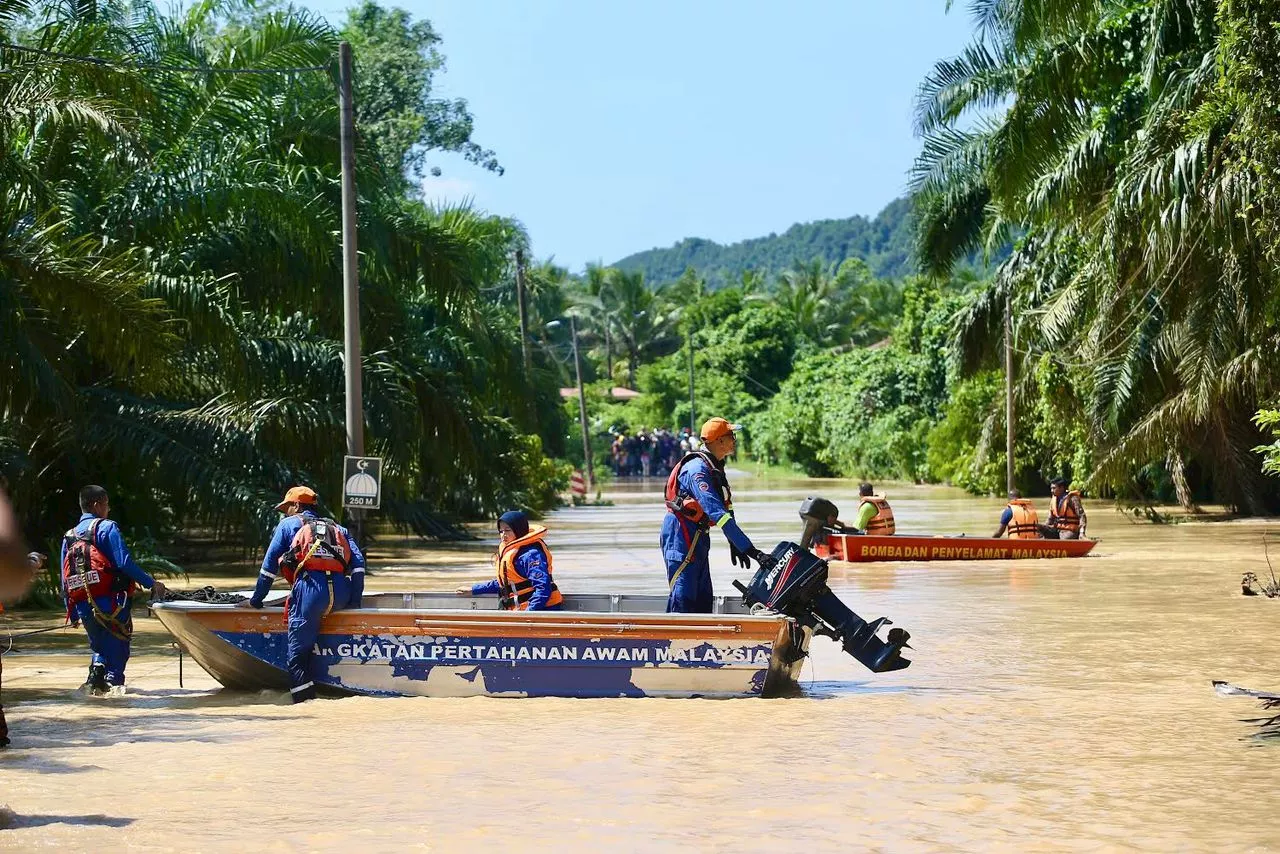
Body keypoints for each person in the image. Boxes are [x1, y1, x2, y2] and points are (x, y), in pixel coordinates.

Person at [249, 486, 365, 703]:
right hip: (340, 595)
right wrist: (355, 602)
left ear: (296, 506)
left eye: (286, 508)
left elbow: (268, 569)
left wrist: (256, 602)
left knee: (297, 658)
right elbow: (358, 567)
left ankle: (306, 708)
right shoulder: (337, 528)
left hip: (311, 592)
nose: (285, 513)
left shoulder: (288, 525)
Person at [60, 485, 167, 695]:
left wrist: (71, 613)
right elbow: (124, 562)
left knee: (99, 647)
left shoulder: (68, 536)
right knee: (117, 648)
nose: (108, 510)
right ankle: (114, 691)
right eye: (106, 505)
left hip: (83, 605)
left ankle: (95, 680)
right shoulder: (107, 527)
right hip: (113, 602)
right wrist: (151, 583)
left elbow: (64, 580)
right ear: (97, 505)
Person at [661, 416, 765, 613]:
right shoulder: (696, 470)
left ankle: (701, 642)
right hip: (681, 537)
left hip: (698, 537)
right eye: (731, 435)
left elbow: (727, 509)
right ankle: (674, 641)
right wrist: (751, 551)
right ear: (719, 441)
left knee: (703, 598)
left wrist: (734, 543)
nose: (735, 439)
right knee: (683, 599)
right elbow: (716, 511)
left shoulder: (715, 466)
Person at [455, 511, 563, 611]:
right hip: (521, 611)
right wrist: (473, 589)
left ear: (519, 529)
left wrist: (528, 613)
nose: (503, 535)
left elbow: (543, 589)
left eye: (507, 530)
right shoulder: (509, 551)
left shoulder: (531, 555)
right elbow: (506, 583)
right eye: (501, 531)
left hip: (543, 610)